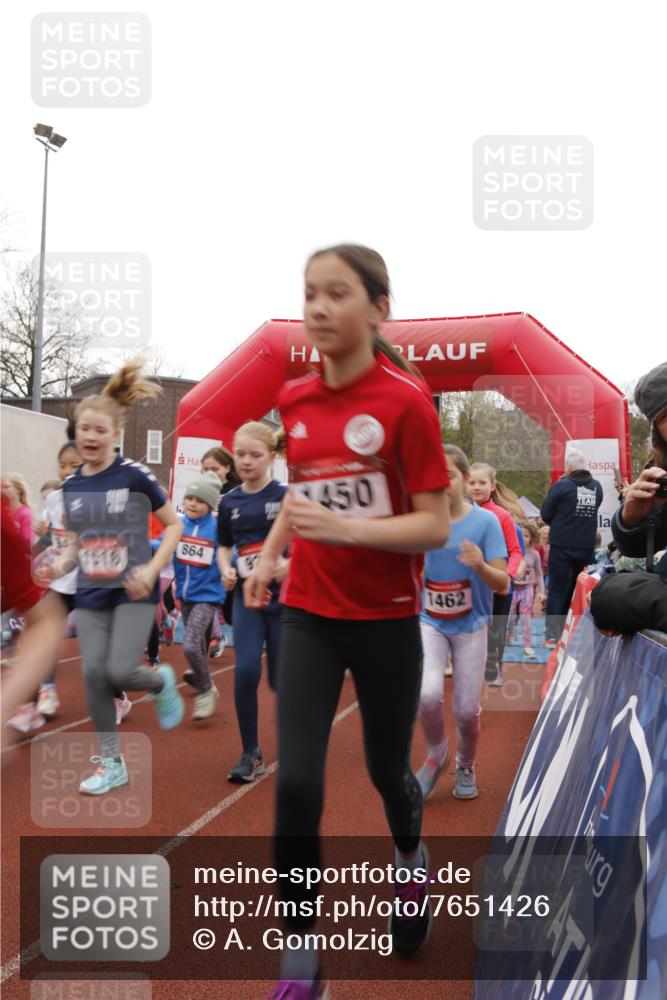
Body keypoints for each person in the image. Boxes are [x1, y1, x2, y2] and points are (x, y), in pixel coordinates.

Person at [244, 244, 450, 999]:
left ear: (378, 309)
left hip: (388, 618)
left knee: (387, 774)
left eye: (337, 293)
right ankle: (302, 967)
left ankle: (408, 864)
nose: (320, 308)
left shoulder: (404, 403)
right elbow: (304, 496)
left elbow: (433, 525)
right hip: (308, 614)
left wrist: (351, 533)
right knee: (295, 783)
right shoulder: (294, 401)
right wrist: (271, 556)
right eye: (309, 295)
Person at [48, 359, 185, 795]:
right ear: (77, 431)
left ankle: (159, 679)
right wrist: (60, 563)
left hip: (133, 590)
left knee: (120, 670)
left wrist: (150, 567)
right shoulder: (71, 485)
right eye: (84, 429)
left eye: (99, 430)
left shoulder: (134, 475)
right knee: (92, 674)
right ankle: (112, 763)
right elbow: (77, 541)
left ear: (114, 435)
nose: (90, 436)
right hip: (92, 590)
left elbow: (175, 525)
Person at [416, 445, 508, 802]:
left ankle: (465, 763)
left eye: (448, 474)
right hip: (431, 622)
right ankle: (436, 753)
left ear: (465, 480)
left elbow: (502, 584)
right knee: (427, 696)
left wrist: (480, 565)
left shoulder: (485, 523)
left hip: (471, 625)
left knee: (467, 711)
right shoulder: (423, 519)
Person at [217, 422, 287, 780]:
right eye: (240, 454)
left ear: (271, 457)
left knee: (281, 679)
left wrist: (286, 564)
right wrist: (226, 567)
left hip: (285, 600)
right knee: (245, 671)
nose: (246, 461)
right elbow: (224, 545)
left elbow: (308, 540)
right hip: (247, 599)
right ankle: (251, 752)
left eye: (255, 455)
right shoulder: (229, 501)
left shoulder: (286, 496)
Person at [6, 438, 86, 731]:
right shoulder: (54, 500)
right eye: (62, 465)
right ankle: (32, 704)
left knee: (96, 652)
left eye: (74, 465)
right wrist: (43, 537)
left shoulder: (97, 499)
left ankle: (118, 696)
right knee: (41, 635)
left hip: (92, 583)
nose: (66, 471)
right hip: (62, 582)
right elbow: (49, 538)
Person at [173, 471, 226, 719]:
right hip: (184, 596)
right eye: (189, 498)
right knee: (199, 645)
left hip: (208, 596)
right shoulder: (178, 526)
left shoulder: (216, 529)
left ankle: (207, 690)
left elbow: (230, 553)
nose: (193, 503)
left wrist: (232, 569)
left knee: (191, 645)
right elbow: (162, 545)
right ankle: (199, 675)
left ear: (210, 504)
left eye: (200, 500)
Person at [467, 463, 523, 686]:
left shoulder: (502, 516)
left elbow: (516, 551)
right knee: (471, 630)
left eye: (482, 482)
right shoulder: (461, 514)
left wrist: (507, 577)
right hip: (472, 585)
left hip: (499, 586)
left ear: (492, 486)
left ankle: (494, 670)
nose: (477, 487)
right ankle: (469, 668)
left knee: (496, 630)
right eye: (472, 482)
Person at [540, 449, 603, 646]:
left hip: (562, 545)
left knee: (557, 589)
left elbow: (545, 513)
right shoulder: (597, 486)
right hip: (586, 546)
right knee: (582, 588)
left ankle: (552, 635)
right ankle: (578, 633)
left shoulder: (562, 485)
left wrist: (561, 521)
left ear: (568, 468)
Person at [612, 361, 667, 565]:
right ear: (658, 432)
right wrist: (630, 518)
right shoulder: (659, 475)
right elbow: (638, 549)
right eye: (664, 416)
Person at [202, 445, 239, 655]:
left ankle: (222, 632)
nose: (209, 474)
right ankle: (216, 637)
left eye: (214, 469)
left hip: (231, 552)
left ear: (227, 468)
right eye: (205, 469)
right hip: (208, 551)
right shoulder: (201, 490)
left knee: (231, 611)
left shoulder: (237, 490)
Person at [507, 520, 546, 659]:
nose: (523, 538)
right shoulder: (511, 552)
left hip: (527, 590)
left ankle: (527, 645)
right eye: (520, 535)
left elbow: (540, 574)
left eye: (527, 535)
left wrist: (542, 591)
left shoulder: (534, 554)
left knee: (526, 617)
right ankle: (510, 634)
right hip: (512, 590)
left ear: (533, 538)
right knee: (511, 617)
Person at [1, 473, 34, 547]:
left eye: (5, 487)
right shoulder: (2, 512)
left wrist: (13, 530)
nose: (1, 491)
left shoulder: (25, 514)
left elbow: (28, 544)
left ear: (18, 489)